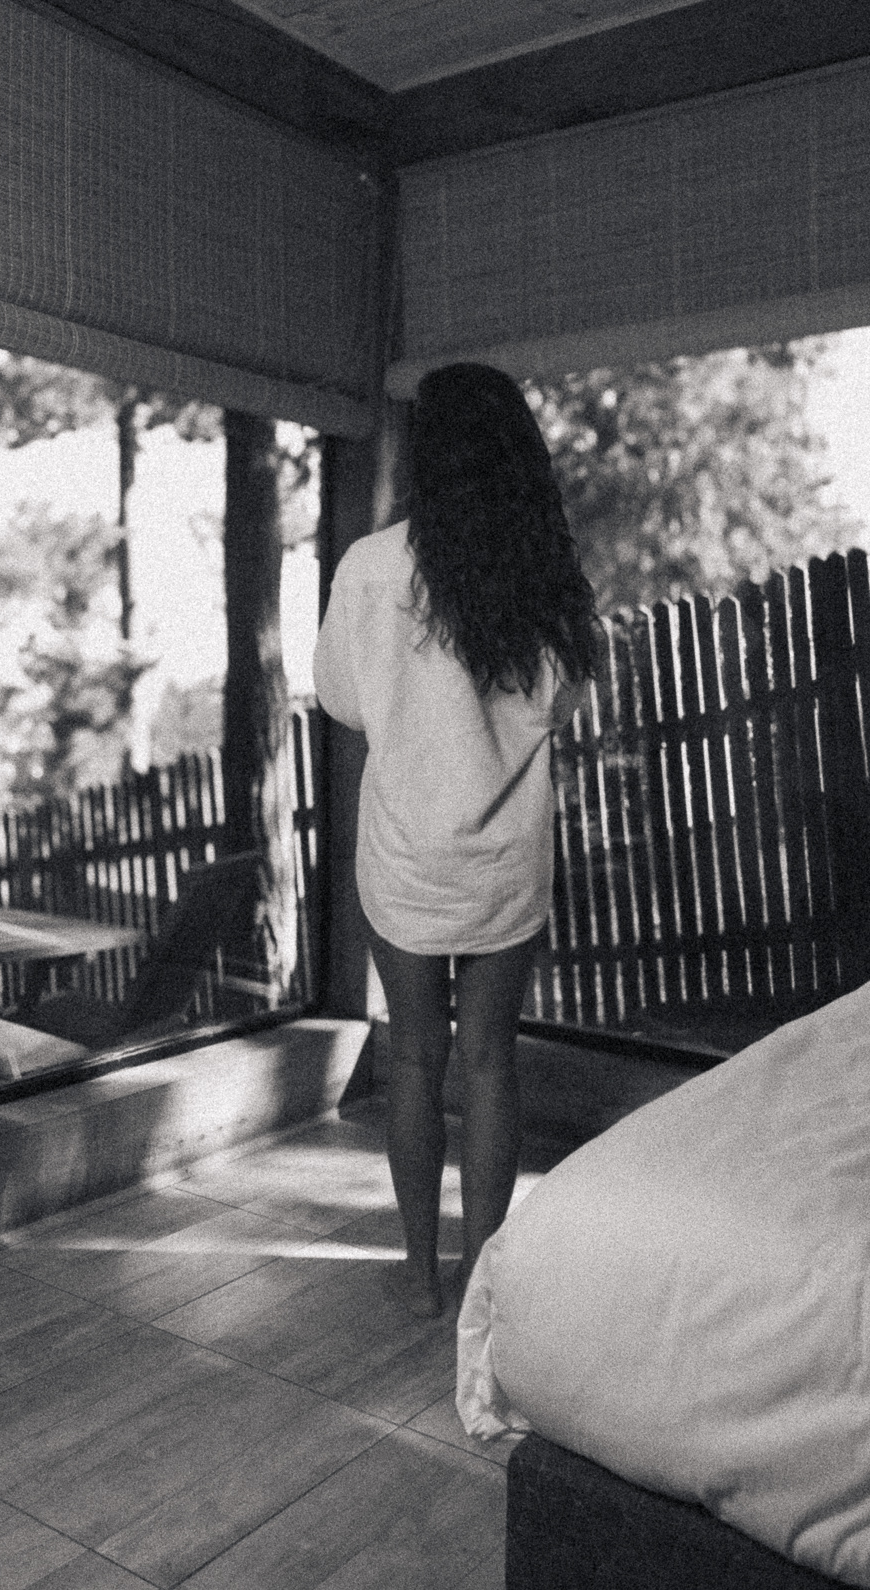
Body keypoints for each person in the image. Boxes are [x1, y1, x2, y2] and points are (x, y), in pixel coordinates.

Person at [313, 362, 598, 1319]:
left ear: (424, 456)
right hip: (505, 860)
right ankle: (482, 1275)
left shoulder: (369, 566)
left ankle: (419, 1274)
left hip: (405, 856)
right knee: (489, 1062)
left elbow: (341, 699)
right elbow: (560, 706)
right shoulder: (546, 578)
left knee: (413, 1060)